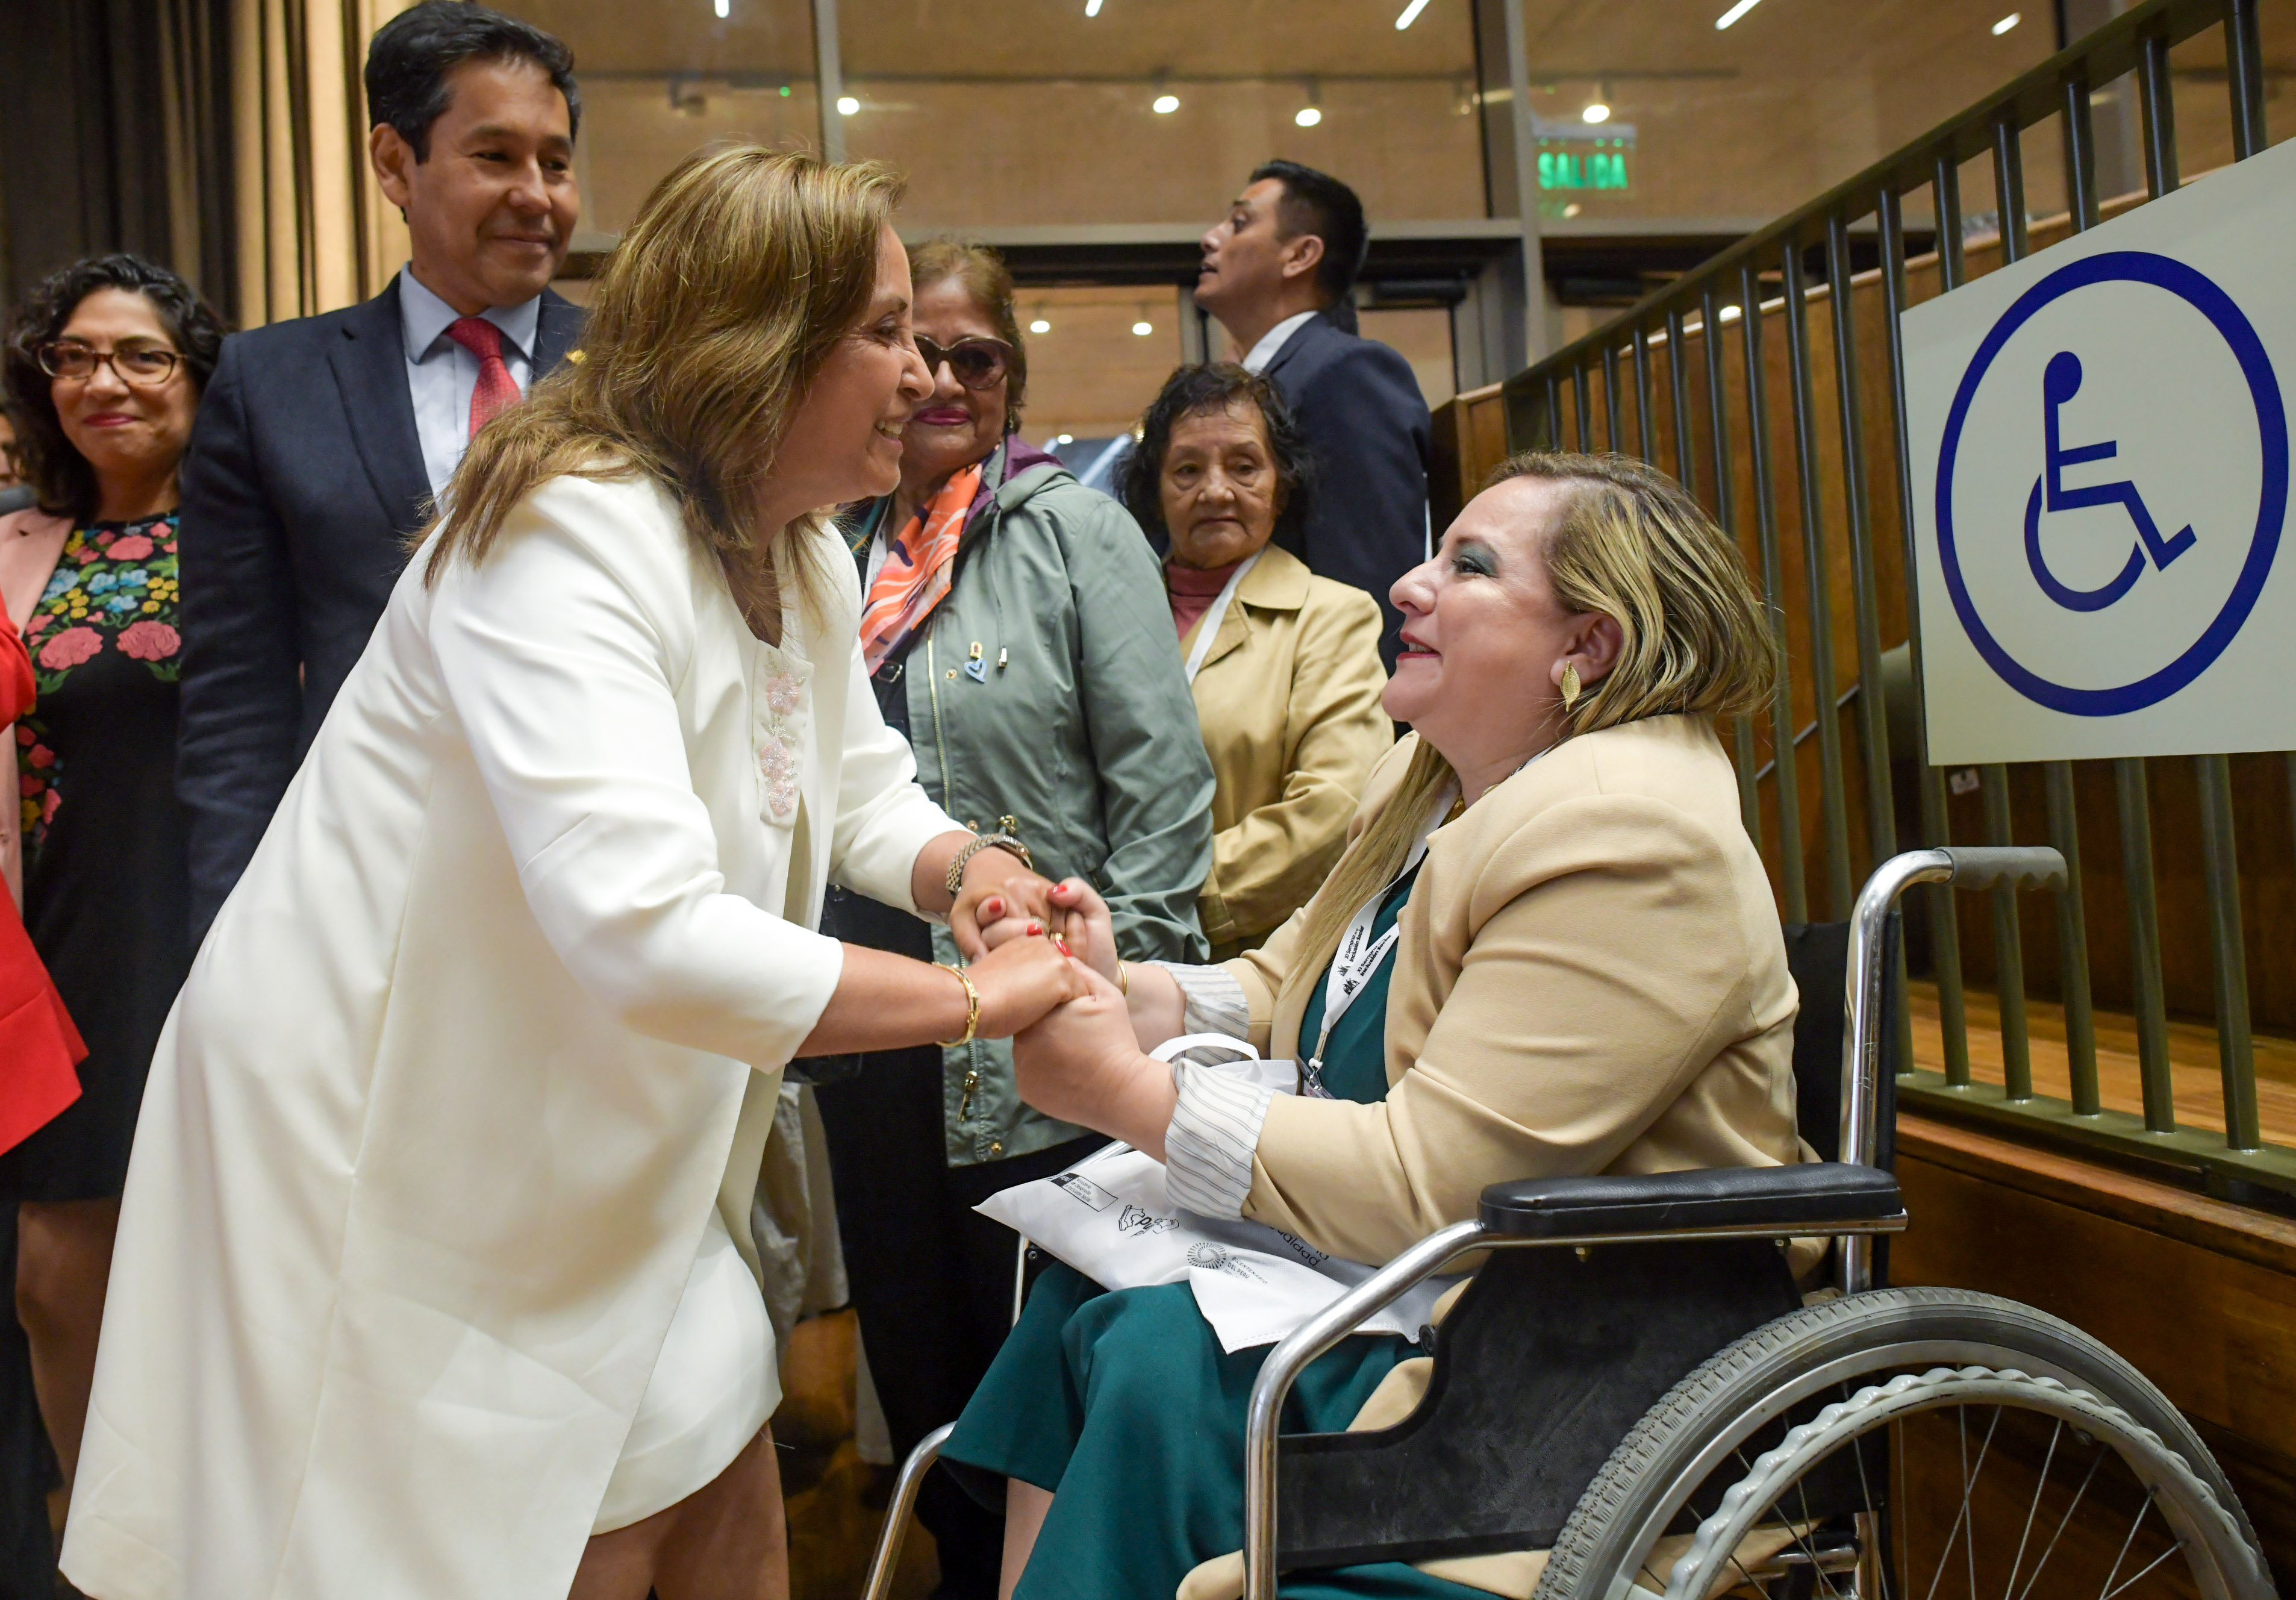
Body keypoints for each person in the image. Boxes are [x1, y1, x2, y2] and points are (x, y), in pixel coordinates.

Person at [61, 148, 1088, 1600]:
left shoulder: (792, 546)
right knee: (462, 1536)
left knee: (699, 1421)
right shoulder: (566, 526)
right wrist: (975, 1000)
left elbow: (854, 788)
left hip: (593, 1121)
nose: (924, 370)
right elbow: (647, 933)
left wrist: (969, 868)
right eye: (881, 330)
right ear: (758, 347)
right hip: (401, 1125)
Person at [946, 450, 1804, 1599]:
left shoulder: (1629, 835)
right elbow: (1290, 982)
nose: (1408, 583)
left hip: (1554, 1348)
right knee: (1084, 1293)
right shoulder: (1435, 780)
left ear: (1585, 648)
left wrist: (1123, 1093)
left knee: (1158, 1354)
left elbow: (1427, 1183)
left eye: (1469, 566)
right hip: (1396, 1281)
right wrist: (1117, 987)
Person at [812, 237, 1213, 1598]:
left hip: (1047, 1056)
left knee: (1034, 1391)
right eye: (910, 349)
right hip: (875, 1043)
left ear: (1009, 378)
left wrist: (1130, 1006)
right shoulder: (828, 546)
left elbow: (1161, 791)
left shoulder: (1076, 531)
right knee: (917, 1371)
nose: (937, 379)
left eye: (971, 355)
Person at [175, 0, 587, 942]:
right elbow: (236, 701)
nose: (539, 194)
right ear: (396, 162)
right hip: (367, 889)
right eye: (496, 157)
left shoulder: (645, 374)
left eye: (556, 163)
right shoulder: (268, 383)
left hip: (602, 885)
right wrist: (235, 937)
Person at [0, 255, 223, 1511]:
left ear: (196, 378)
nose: (105, 382)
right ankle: (107, 1546)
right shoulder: (13, 542)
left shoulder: (248, 538)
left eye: (142, 356)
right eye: (76, 357)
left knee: (223, 1269)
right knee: (57, 1277)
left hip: (212, 926)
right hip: (59, 943)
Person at [1117, 364, 1391, 959]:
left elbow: (1333, 809)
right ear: (1157, 493)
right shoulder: (1102, 614)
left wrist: (1167, 903)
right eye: (1187, 470)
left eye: (1243, 467)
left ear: (1280, 485)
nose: (1215, 491)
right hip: (1095, 948)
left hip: (1251, 964)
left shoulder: (1331, 616)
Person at [1194, 161, 1432, 669]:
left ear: (1300, 255)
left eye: (1239, 223)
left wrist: (1370, 732)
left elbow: (1370, 586)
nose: (1210, 239)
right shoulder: (1259, 380)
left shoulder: (1346, 373)